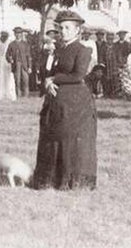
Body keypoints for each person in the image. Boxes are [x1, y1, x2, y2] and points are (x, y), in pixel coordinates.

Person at [31, 10, 97, 190]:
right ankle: (52, 178)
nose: (64, 31)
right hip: (56, 102)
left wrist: (54, 79)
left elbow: (77, 75)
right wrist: (47, 81)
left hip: (76, 104)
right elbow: (49, 72)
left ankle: (72, 180)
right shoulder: (58, 50)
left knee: (70, 139)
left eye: (68, 28)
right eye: (61, 28)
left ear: (77, 30)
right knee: (53, 138)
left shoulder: (83, 50)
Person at [7, 28, 33, 98]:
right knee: (17, 81)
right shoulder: (11, 44)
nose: (18, 35)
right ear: (14, 34)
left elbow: (29, 56)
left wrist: (30, 67)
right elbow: (7, 55)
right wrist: (10, 59)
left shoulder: (25, 44)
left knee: (26, 80)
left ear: (21, 34)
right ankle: (18, 95)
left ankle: (26, 96)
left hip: (24, 65)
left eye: (19, 33)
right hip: (16, 65)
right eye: (16, 33)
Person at [0, 30, 17, 101]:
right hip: (0, 61)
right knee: (0, 77)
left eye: (4, 36)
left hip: (7, 61)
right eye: (2, 35)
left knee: (9, 77)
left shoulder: (9, 43)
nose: (3, 37)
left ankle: (10, 94)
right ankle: (0, 94)